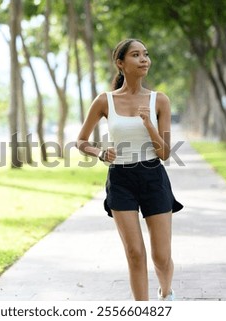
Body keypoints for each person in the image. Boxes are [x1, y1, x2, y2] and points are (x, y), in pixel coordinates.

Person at [76, 38, 183, 301]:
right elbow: (80, 141)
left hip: (153, 177)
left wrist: (148, 124)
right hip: (121, 179)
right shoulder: (104, 101)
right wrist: (100, 152)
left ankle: (166, 294)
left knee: (161, 256)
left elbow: (165, 153)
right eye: (136, 55)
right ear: (120, 63)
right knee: (135, 254)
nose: (144, 59)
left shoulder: (160, 101)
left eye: (146, 54)